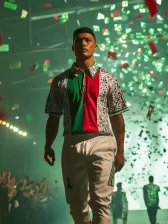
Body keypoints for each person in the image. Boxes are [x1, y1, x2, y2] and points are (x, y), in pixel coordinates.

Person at [43, 27, 129, 224]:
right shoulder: (60, 81)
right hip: (72, 144)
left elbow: (117, 118)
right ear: (73, 47)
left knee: (101, 202)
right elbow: (53, 117)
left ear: (95, 46)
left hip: (102, 142)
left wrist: (120, 151)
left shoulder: (108, 79)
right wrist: (48, 145)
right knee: (76, 205)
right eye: (79, 40)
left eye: (88, 40)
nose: (83, 43)